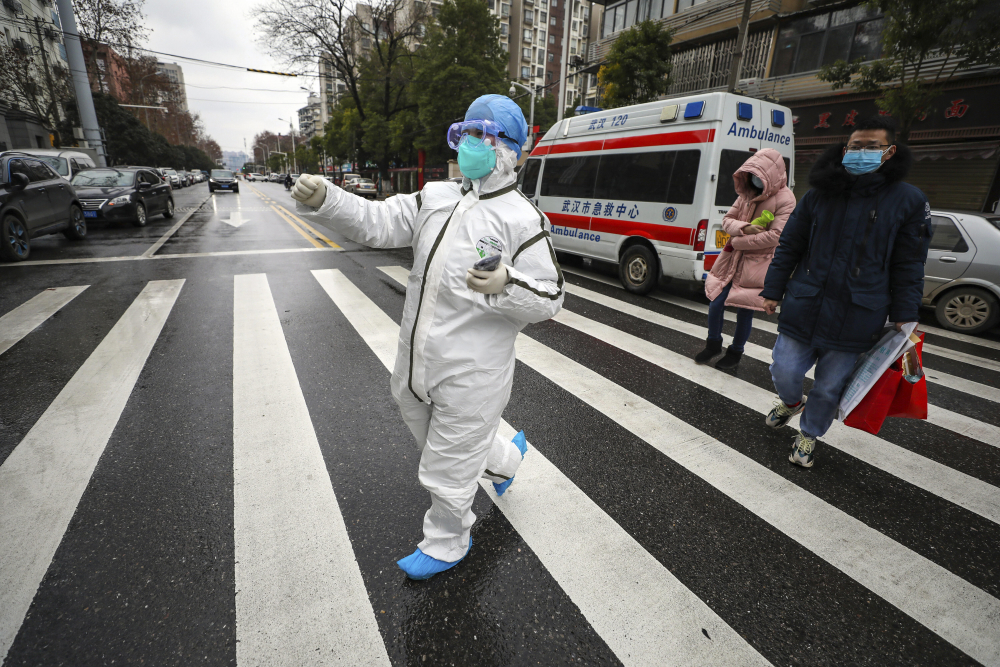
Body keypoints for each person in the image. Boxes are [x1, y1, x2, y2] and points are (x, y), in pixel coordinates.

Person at [290, 94, 564, 579]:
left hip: (473, 373)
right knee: (435, 437)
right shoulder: (435, 197)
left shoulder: (524, 221)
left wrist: (509, 284)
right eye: (466, 133)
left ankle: (447, 541)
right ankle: (503, 459)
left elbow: (551, 298)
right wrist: (328, 199)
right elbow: (378, 221)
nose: (471, 146)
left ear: (511, 151)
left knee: (447, 464)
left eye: (485, 136)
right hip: (416, 363)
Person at [759, 115, 931, 468]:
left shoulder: (908, 201)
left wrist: (905, 312)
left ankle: (809, 434)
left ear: (889, 152)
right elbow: (791, 244)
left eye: (871, 147)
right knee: (783, 369)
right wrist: (773, 289)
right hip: (806, 302)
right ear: (844, 149)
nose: (861, 153)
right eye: (855, 146)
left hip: (858, 312)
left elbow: (909, 262)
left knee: (827, 387)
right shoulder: (820, 193)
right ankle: (791, 402)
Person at [696, 148, 795, 370]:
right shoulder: (747, 193)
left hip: (758, 264)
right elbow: (728, 220)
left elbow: (777, 236)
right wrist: (745, 228)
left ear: (772, 174)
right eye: (751, 174)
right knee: (716, 303)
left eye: (759, 175)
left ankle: (736, 352)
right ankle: (713, 344)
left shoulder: (785, 199)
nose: (754, 180)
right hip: (732, 260)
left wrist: (738, 241)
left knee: (745, 311)